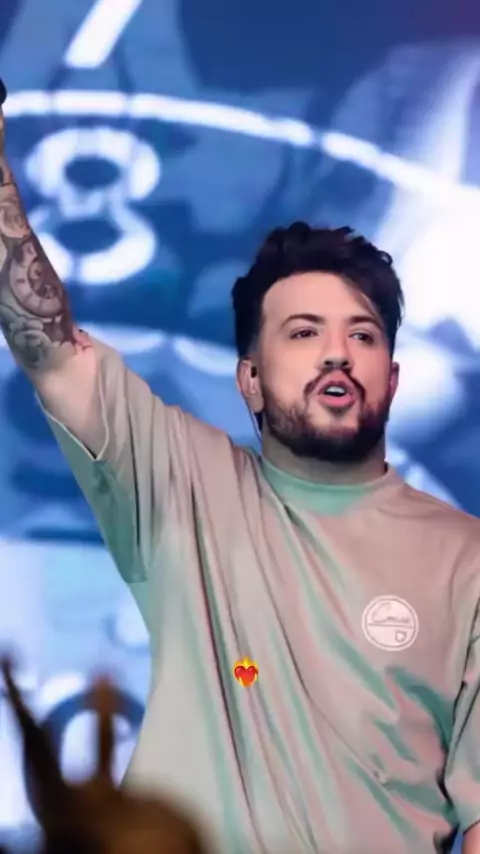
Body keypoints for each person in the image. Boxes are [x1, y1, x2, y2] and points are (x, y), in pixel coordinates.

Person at [1, 87, 480, 854]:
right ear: (249, 379)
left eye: (362, 335)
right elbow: (47, 345)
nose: (336, 353)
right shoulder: (179, 482)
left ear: (392, 379)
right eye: (304, 332)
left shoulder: (468, 560)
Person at [0, 658, 207, 854]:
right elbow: (46, 767)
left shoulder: (85, 817)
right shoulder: (85, 818)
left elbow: (46, 766)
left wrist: (15, 697)